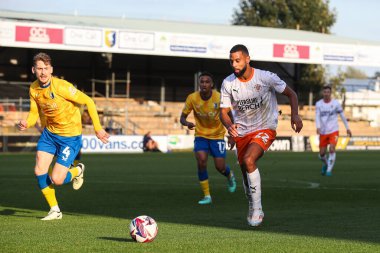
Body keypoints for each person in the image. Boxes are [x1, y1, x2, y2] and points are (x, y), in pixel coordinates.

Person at [18, 52, 109, 221]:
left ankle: (78, 169)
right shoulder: (33, 88)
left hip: (70, 137)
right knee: (39, 169)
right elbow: (33, 113)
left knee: (57, 179)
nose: (43, 72)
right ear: (33, 70)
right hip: (50, 135)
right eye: (39, 69)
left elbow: (89, 101)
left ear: (51, 69)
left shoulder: (62, 86)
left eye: (46, 68)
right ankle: (55, 210)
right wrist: (27, 123)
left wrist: (98, 128)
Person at [219, 44, 303, 226]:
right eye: (231, 61)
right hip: (242, 131)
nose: (234, 64)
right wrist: (229, 127)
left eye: (238, 60)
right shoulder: (228, 83)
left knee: (249, 160)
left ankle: (258, 209)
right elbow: (224, 112)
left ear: (247, 59)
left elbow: (292, 94)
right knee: (244, 170)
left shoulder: (266, 77)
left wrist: (295, 114)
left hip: (266, 126)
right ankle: (251, 202)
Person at [180, 71, 237, 205]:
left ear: (211, 84)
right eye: (202, 82)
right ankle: (207, 195)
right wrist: (187, 123)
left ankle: (229, 175)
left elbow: (230, 116)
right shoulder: (192, 98)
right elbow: (182, 117)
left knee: (220, 167)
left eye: (207, 82)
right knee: (201, 162)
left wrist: (231, 133)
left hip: (217, 136)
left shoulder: (219, 97)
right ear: (199, 84)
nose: (204, 84)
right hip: (200, 135)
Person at [316, 85, 352, 176]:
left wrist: (347, 128)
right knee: (321, 154)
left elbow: (343, 117)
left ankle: (329, 170)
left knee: (332, 149)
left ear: (330, 93)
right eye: (325, 92)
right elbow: (317, 116)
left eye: (328, 92)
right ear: (323, 93)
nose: (326, 94)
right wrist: (318, 126)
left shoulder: (336, 104)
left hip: (334, 131)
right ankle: (326, 164)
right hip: (323, 132)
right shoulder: (319, 104)